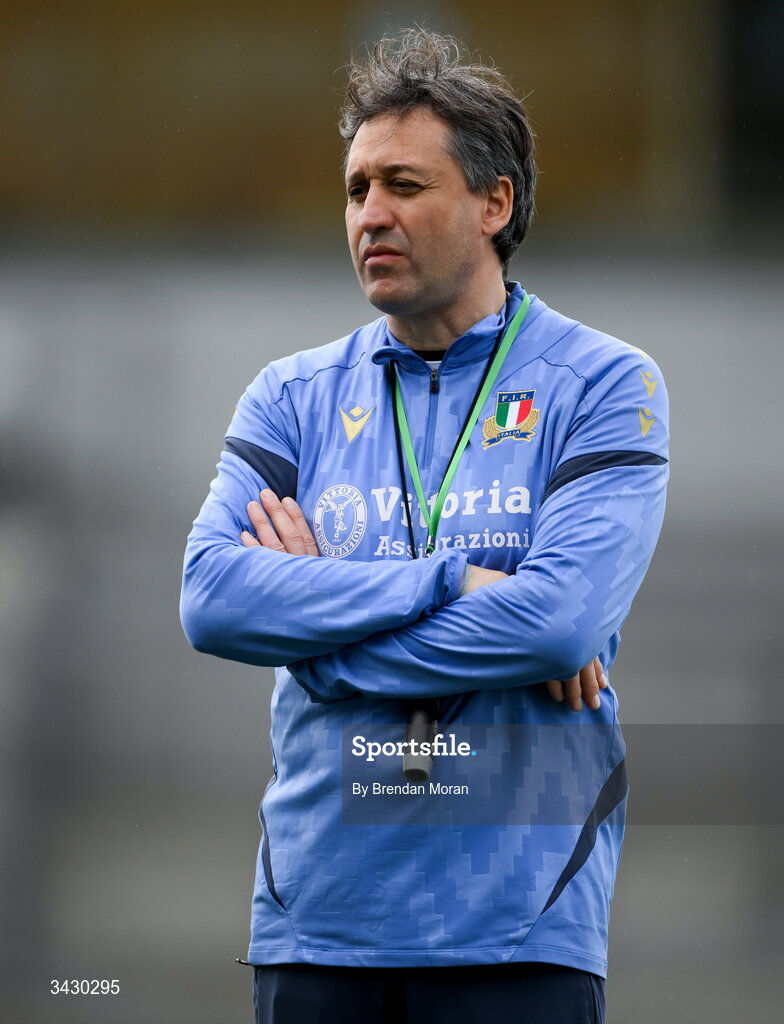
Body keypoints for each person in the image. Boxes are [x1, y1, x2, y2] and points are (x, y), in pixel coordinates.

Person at [180, 28, 668, 1024]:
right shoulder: (291, 395)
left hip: (517, 924)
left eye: (404, 184)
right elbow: (211, 601)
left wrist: (317, 635)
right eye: (357, 189)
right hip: (318, 919)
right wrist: (452, 583)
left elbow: (556, 626)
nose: (371, 215)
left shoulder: (606, 383)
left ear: (495, 203)